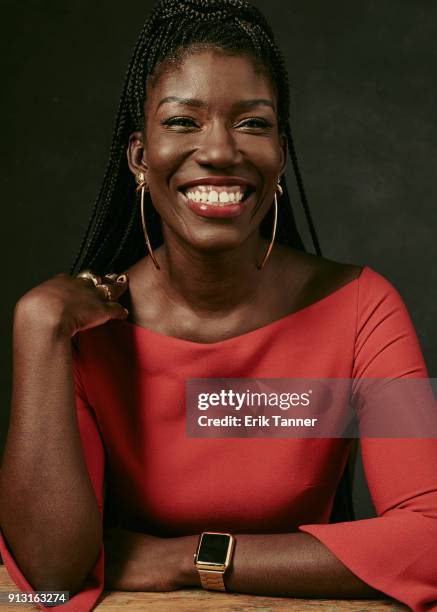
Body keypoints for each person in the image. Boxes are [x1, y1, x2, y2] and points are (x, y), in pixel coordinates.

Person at [1, 0, 436, 610]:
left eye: (253, 124)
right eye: (183, 121)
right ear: (138, 158)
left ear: (281, 155)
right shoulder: (83, 328)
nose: (221, 150)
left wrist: (190, 557)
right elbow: (48, 578)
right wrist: (37, 325)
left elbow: (431, 538)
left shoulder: (363, 308)